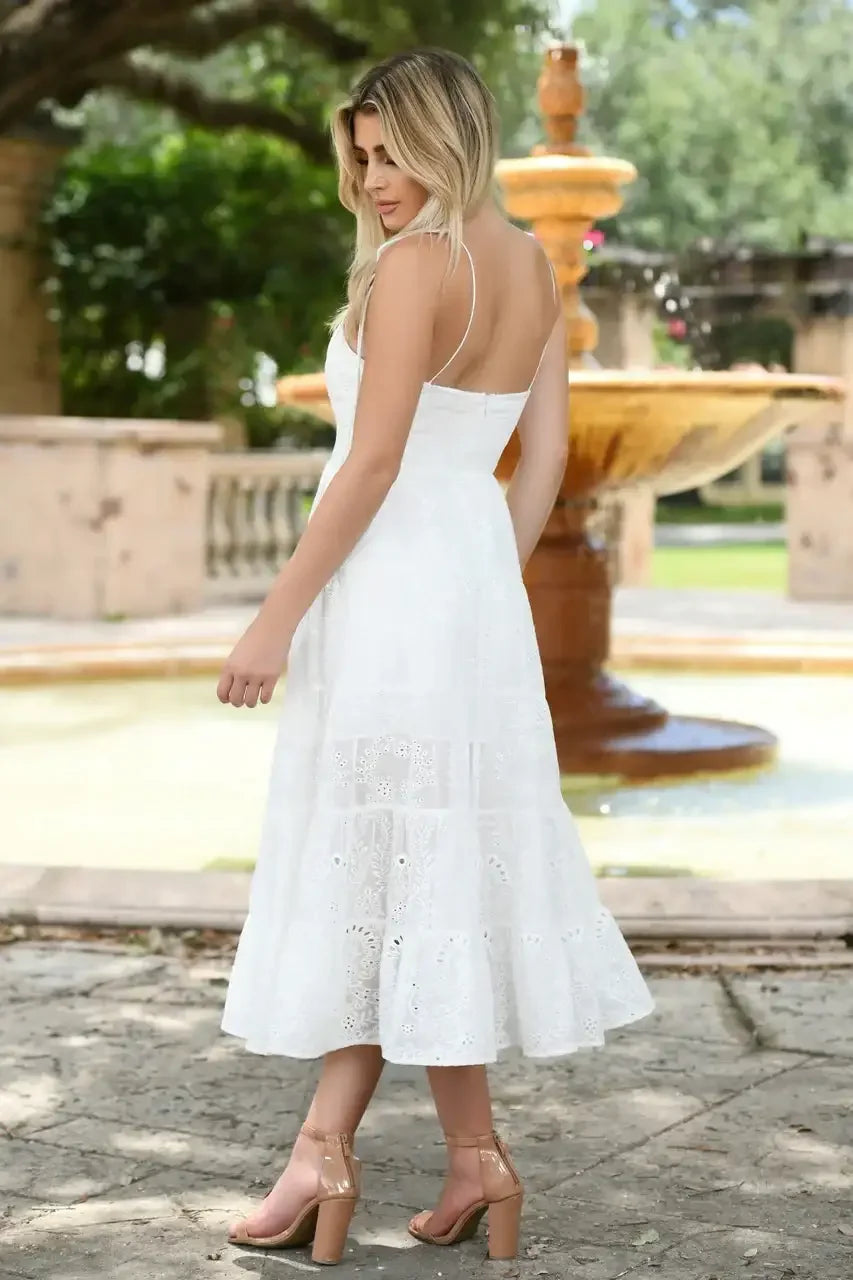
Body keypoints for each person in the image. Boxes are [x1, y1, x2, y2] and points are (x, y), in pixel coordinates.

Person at [217, 46, 654, 1266]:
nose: (372, 179)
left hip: (385, 598)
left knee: (379, 871)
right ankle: (464, 1157)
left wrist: (273, 617)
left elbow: (370, 462)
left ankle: (327, 1154)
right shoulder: (529, 266)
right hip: (464, 599)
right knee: (419, 875)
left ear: (448, 139)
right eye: (360, 156)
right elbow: (543, 460)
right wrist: (479, 589)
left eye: (392, 152)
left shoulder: (418, 266)